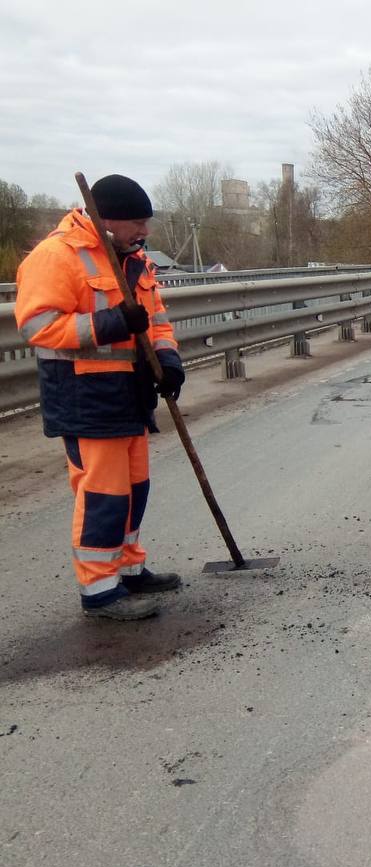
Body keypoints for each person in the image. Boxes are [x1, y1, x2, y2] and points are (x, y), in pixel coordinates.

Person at [14, 174, 186, 621]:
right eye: (136, 223)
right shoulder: (57, 256)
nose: (144, 232)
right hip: (85, 394)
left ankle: (129, 569)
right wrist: (113, 322)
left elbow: (157, 322)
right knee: (104, 494)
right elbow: (38, 327)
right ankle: (99, 590)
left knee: (134, 489)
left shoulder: (132, 259)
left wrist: (168, 364)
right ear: (106, 220)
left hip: (130, 394)